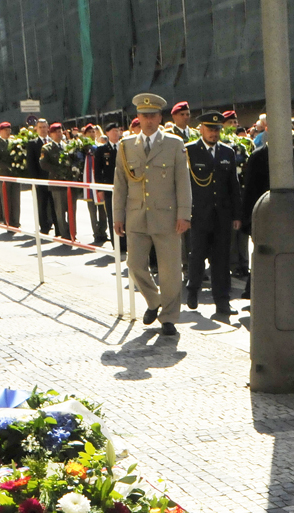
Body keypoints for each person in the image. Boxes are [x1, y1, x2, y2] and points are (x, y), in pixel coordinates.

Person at [113, 92, 193, 337]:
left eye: (153, 115)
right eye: (144, 116)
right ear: (137, 117)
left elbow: (183, 182)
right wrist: (117, 215)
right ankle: (154, 300)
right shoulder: (125, 147)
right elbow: (120, 184)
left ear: (160, 117)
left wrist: (184, 214)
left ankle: (168, 317)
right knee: (135, 265)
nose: (148, 120)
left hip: (167, 217)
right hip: (137, 216)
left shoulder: (174, 144)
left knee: (170, 271)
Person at [185, 112, 242, 316]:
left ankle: (222, 301)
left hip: (222, 215)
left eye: (217, 130)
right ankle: (192, 292)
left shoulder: (227, 152)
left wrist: (236, 215)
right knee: (197, 255)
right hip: (199, 214)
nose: (214, 133)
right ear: (201, 129)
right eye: (210, 129)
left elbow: (233, 186)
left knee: (221, 259)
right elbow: (185, 186)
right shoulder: (190, 151)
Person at [238, 138, 294, 300]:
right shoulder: (258, 156)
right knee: (264, 254)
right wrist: (248, 219)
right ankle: (256, 290)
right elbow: (250, 190)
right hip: (264, 216)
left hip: (290, 215)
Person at [93, 123, 124, 252]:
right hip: (109, 187)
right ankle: (116, 244)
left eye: (118, 131)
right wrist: (99, 189)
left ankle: (126, 243)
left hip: (124, 187)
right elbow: (98, 171)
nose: (116, 133)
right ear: (107, 133)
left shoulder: (124, 147)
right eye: (113, 131)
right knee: (112, 215)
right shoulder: (101, 150)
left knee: (125, 215)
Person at [39, 123, 73, 240]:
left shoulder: (68, 146)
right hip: (57, 182)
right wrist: (59, 170)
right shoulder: (47, 148)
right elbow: (44, 164)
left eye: (60, 131)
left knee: (71, 210)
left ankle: (72, 232)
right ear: (51, 134)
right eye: (56, 132)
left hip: (69, 182)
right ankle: (64, 233)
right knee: (60, 210)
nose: (59, 134)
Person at [27, 118, 56, 235]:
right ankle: (44, 227)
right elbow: (31, 163)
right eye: (40, 127)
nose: (43, 129)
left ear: (48, 128)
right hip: (40, 179)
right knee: (42, 204)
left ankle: (56, 225)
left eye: (45, 127)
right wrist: (35, 180)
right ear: (36, 129)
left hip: (53, 179)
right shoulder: (32, 144)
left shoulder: (53, 141)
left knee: (54, 204)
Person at [0, 122, 20, 229]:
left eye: (9, 130)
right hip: (3, 174)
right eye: (5, 130)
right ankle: (8, 221)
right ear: (0, 131)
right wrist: (7, 166)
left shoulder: (13, 142)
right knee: (6, 199)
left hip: (14, 174)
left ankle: (16, 221)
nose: (8, 132)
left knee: (16, 198)